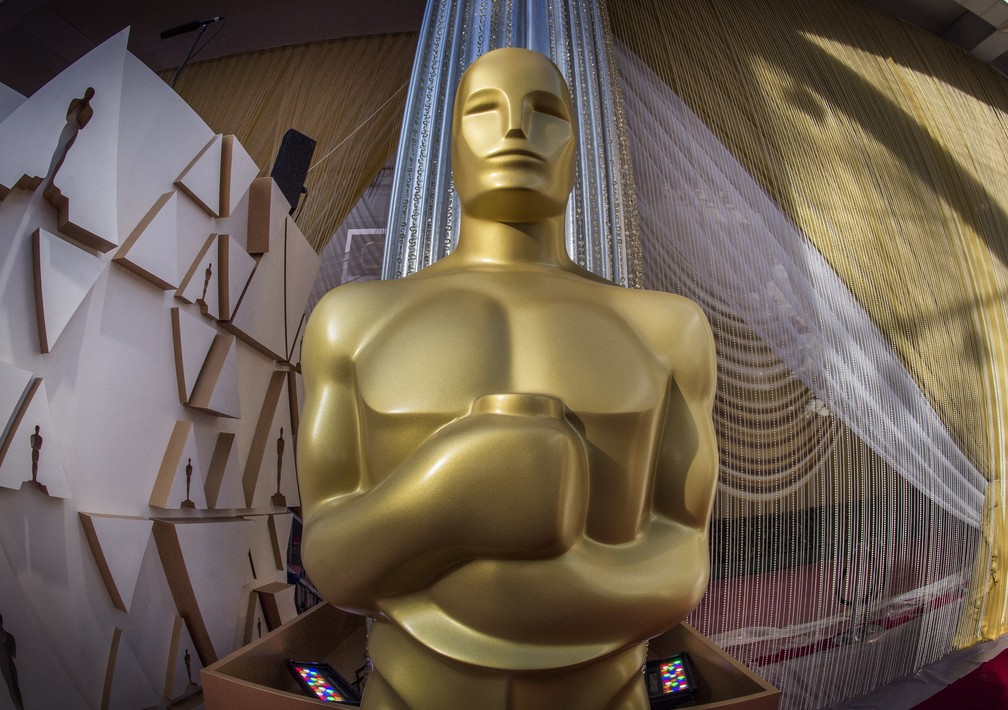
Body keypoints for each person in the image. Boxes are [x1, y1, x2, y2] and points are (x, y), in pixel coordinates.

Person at [298, 47, 718, 709]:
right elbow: (328, 560)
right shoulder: (350, 322)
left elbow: (685, 552)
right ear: (452, 145)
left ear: (578, 147)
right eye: (485, 110)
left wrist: (582, 581)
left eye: (545, 112)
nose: (516, 129)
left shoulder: (667, 330)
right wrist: (446, 494)